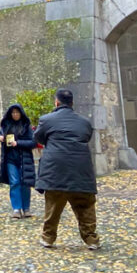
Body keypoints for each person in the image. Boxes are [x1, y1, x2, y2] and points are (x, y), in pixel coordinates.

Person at [34, 88, 100, 250]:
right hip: (80, 170)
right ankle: (91, 239)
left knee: (53, 206)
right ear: (72, 103)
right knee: (85, 207)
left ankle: (48, 238)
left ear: (56, 102)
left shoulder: (46, 120)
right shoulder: (84, 122)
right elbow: (86, 136)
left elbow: (39, 137)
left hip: (55, 170)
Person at [0, 104, 37, 218]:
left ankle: (26, 208)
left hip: (24, 159)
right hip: (10, 160)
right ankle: (16, 209)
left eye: (17, 112)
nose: (15, 114)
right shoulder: (6, 126)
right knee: (14, 183)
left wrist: (18, 143)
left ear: (21, 113)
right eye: (13, 112)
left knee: (25, 183)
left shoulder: (26, 126)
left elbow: (33, 143)